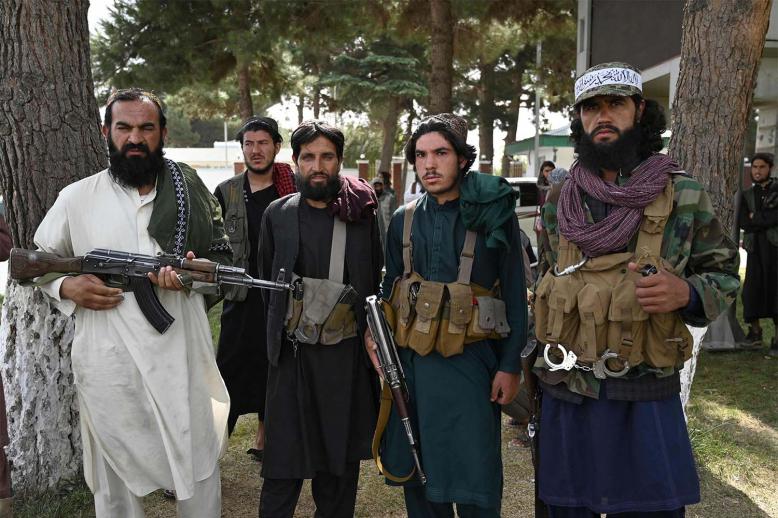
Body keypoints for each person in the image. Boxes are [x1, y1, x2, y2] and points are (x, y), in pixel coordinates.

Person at [534, 62, 740, 517]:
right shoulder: (559, 198)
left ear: (639, 110)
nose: (602, 116)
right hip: (569, 389)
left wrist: (685, 293)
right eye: (591, 107)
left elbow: (725, 273)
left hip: (643, 391)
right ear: (579, 118)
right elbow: (547, 278)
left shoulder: (682, 194)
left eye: (615, 104)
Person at [33, 88, 231, 518]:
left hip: (180, 353)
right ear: (107, 132)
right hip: (109, 361)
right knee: (114, 478)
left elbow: (225, 260)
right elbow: (38, 264)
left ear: (163, 133)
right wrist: (67, 288)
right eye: (124, 128)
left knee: (194, 459)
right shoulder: (77, 197)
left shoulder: (188, 194)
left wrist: (192, 275)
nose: (135, 138)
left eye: (146, 128)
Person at [369, 113, 528, 516]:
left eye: (441, 152)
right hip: (412, 370)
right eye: (421, 155)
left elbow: (513, 293)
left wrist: (510, 366)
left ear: (461, 158)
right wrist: (376, 335)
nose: (430, 164)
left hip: (472, 368)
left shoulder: (493, 216)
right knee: (421, 478)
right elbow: (390, 290)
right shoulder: (403, 220)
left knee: (475, 480)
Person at [258, 121, 382, 517]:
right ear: (295, 162)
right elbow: (267, 286)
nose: (317, 165)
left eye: (326, 156)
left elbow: (374, 279)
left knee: (339, 470)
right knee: (281, 469)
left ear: (339, 161)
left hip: (343, 362)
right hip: (292, 361)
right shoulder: (278, 215)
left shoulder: (360, 216)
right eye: (308, 157)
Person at [213, 116, 296, 460]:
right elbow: (213, 243)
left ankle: (266, 442)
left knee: (274, 371)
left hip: (280, 300)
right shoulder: (227, 191)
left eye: (263, 143)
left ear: (277, 147)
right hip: (240, 299)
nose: (256, 150)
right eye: (249, 143)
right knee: (226, 375)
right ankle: (210, 451)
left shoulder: (293, 191)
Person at [738, 152, 778, 355]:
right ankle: (755, 333)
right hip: (755, 251)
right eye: (755, 167)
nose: (757, 171)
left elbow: (773, 218)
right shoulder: (747, 194)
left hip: (775, 251)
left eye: (761, 167)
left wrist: (758, 218)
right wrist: (761, 218)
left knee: (776, 292)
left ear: (769, 168)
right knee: (751, 292)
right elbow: (745, 222)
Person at [371, 175, 397, 246]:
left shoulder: (390, 198)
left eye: (379, 186)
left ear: (382, 186)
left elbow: (394, 214)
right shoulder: (370, 199)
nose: (378, 188)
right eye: (376, 186)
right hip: (374, 230)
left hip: (387, 229)